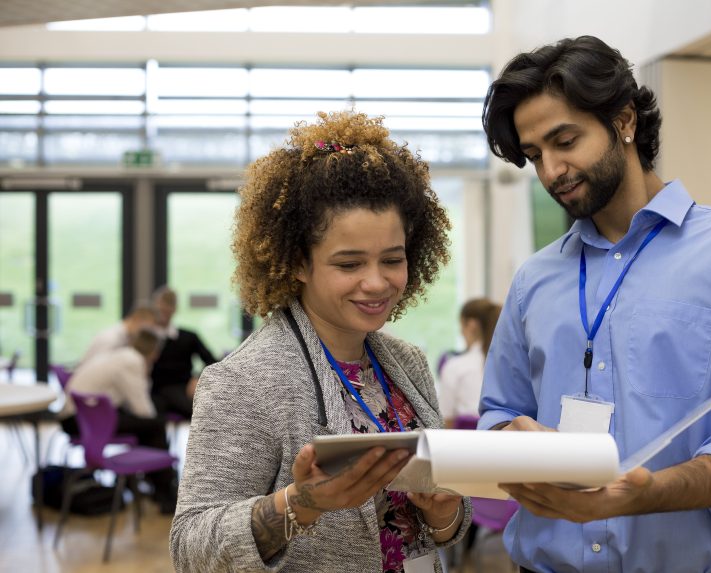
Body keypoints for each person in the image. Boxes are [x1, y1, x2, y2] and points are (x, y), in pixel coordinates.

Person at [478, 36, 711, 573]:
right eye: (536, 156)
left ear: (624, 120)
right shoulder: (534, 278)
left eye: (565, 141)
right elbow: (499, 413)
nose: (552, 171)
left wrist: (643, 494)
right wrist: (512, 435)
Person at [170, 110, 472, 573]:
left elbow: (439, 528)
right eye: (349, 265)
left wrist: (443, 512)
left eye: (392, 259)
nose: (377, 283)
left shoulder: (407, 364)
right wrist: (299, 506)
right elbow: (191, 547)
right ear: (298, 264)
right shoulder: (243, 382)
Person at [60, 328, 177, 513]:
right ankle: (166, 492)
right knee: (154, 425)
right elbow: (143, 410)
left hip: (79, 417)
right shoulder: (133, 362)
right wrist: (147, 373)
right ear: (154, 352)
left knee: (147, 425)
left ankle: (152, 484)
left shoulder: (121, 355)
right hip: (85, 421)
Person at [149, 285, 218, 419]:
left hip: (181, 389)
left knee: (203, 413)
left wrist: (197, 378)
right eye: (160, 307)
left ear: (174, 309)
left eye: (167, 307)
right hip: (152, 391)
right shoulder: (147, 338)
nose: (163, 311)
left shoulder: (188, 337)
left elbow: (212, 361)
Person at [437, 298, 501, 427]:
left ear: (471, 325)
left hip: (465, 444)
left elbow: (446, 420)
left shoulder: (455, 366)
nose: (461, 333)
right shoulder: (509, 364)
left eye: (461, 326)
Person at [77, 303, 157, 366]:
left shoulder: (126, 338)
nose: (146, 334)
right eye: (148, 328)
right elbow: (99, 369)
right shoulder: (111, 338)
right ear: (137, 319)